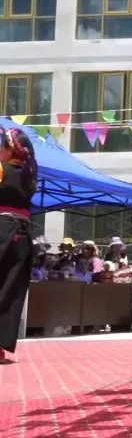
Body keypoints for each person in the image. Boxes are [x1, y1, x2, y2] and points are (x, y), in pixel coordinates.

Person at [0, 128, 37, 364]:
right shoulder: (29, 174)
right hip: (22, 234)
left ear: (9, 150)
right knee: (9, 290)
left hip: (2, 229)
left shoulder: (2, 169)